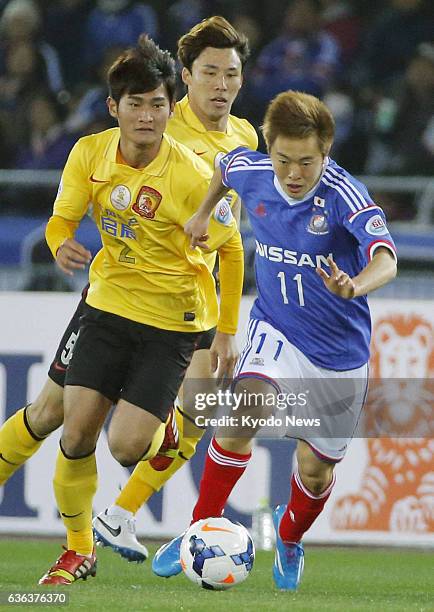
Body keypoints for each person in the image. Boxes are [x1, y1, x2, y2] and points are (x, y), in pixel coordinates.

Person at [0, 16, 256, 564]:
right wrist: (62, 237)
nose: (221, 85)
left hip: (184, 301)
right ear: (185, 79)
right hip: (113, 292)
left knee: (183, 417)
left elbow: (231, 242)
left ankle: (119, 513)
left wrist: (228, 327)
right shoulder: (160, 123)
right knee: (53, 416)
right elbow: (68, 212)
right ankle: (90, 536)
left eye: (231, 74)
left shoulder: (243, 139)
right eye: (209, 72)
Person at [154, 90, 398, 590]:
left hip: (338, 355)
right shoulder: (254, 171)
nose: (293, 173)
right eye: (284, 159)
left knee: (314, 472)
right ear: (270, 146)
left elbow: (386, 257)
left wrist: (355, 285)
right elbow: (224, 168)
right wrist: (202, 214)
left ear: (325, 152)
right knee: (245, 411)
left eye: (306, 162)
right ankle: (199, 528)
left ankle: (289, 537)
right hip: (276, 330)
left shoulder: (343, 194)